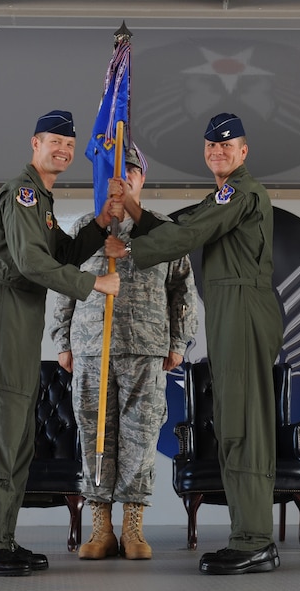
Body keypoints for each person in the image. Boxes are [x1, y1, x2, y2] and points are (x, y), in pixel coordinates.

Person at [105, 113, 283, 575]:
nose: (217, 152)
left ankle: (255, 540)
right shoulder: (223, 195)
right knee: (232, 423)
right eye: (210, 147)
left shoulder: (242, 192)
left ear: (244, 152)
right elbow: (186, 220)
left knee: (244, 425)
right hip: (229, 309)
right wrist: (137, 208)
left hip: (243, 308)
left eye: (227, 146)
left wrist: (132, 250)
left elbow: (189, 234)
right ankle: (249, 535)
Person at [0, 110, 122, 577]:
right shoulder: (25, 193)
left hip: (21, 312)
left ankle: (2, 538)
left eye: (69, 144)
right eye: (55, 141)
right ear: (35, 143)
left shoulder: (44, 200)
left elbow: (59, 252)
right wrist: (94, 286)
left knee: (14, 428)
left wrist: (98, 226)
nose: (64, 150)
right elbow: (32, 262)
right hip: (5, 309)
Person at [49, 148, 198, 561]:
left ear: (142, 179)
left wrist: (178, 342)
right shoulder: (85, 228)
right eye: (115, 170)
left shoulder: (164, 230)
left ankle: (133, 527)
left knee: (141, 436)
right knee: (94, 435)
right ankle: (101, 529)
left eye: (131, 170)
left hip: (145, 348)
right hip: (92, 348)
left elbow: (183, 291)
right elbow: (64, 283)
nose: (123, 176)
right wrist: (62, 340)